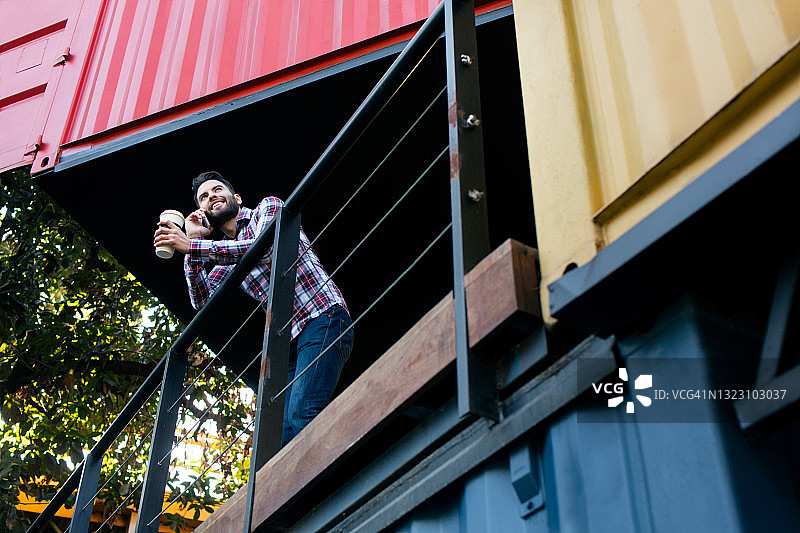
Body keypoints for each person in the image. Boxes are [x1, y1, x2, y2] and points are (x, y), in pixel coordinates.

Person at [154, 171, 353, 445]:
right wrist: (191, 252)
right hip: (290, 341)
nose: (211, 196)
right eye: (204, 197)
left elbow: (265, 248)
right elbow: (202, 301)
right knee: (281, 435)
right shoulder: (224, 252)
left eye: (217, 190)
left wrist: (193, 246)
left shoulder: (266, 207)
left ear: (236, 198)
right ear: (203, 213)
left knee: (302, 415)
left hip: (323, 316)